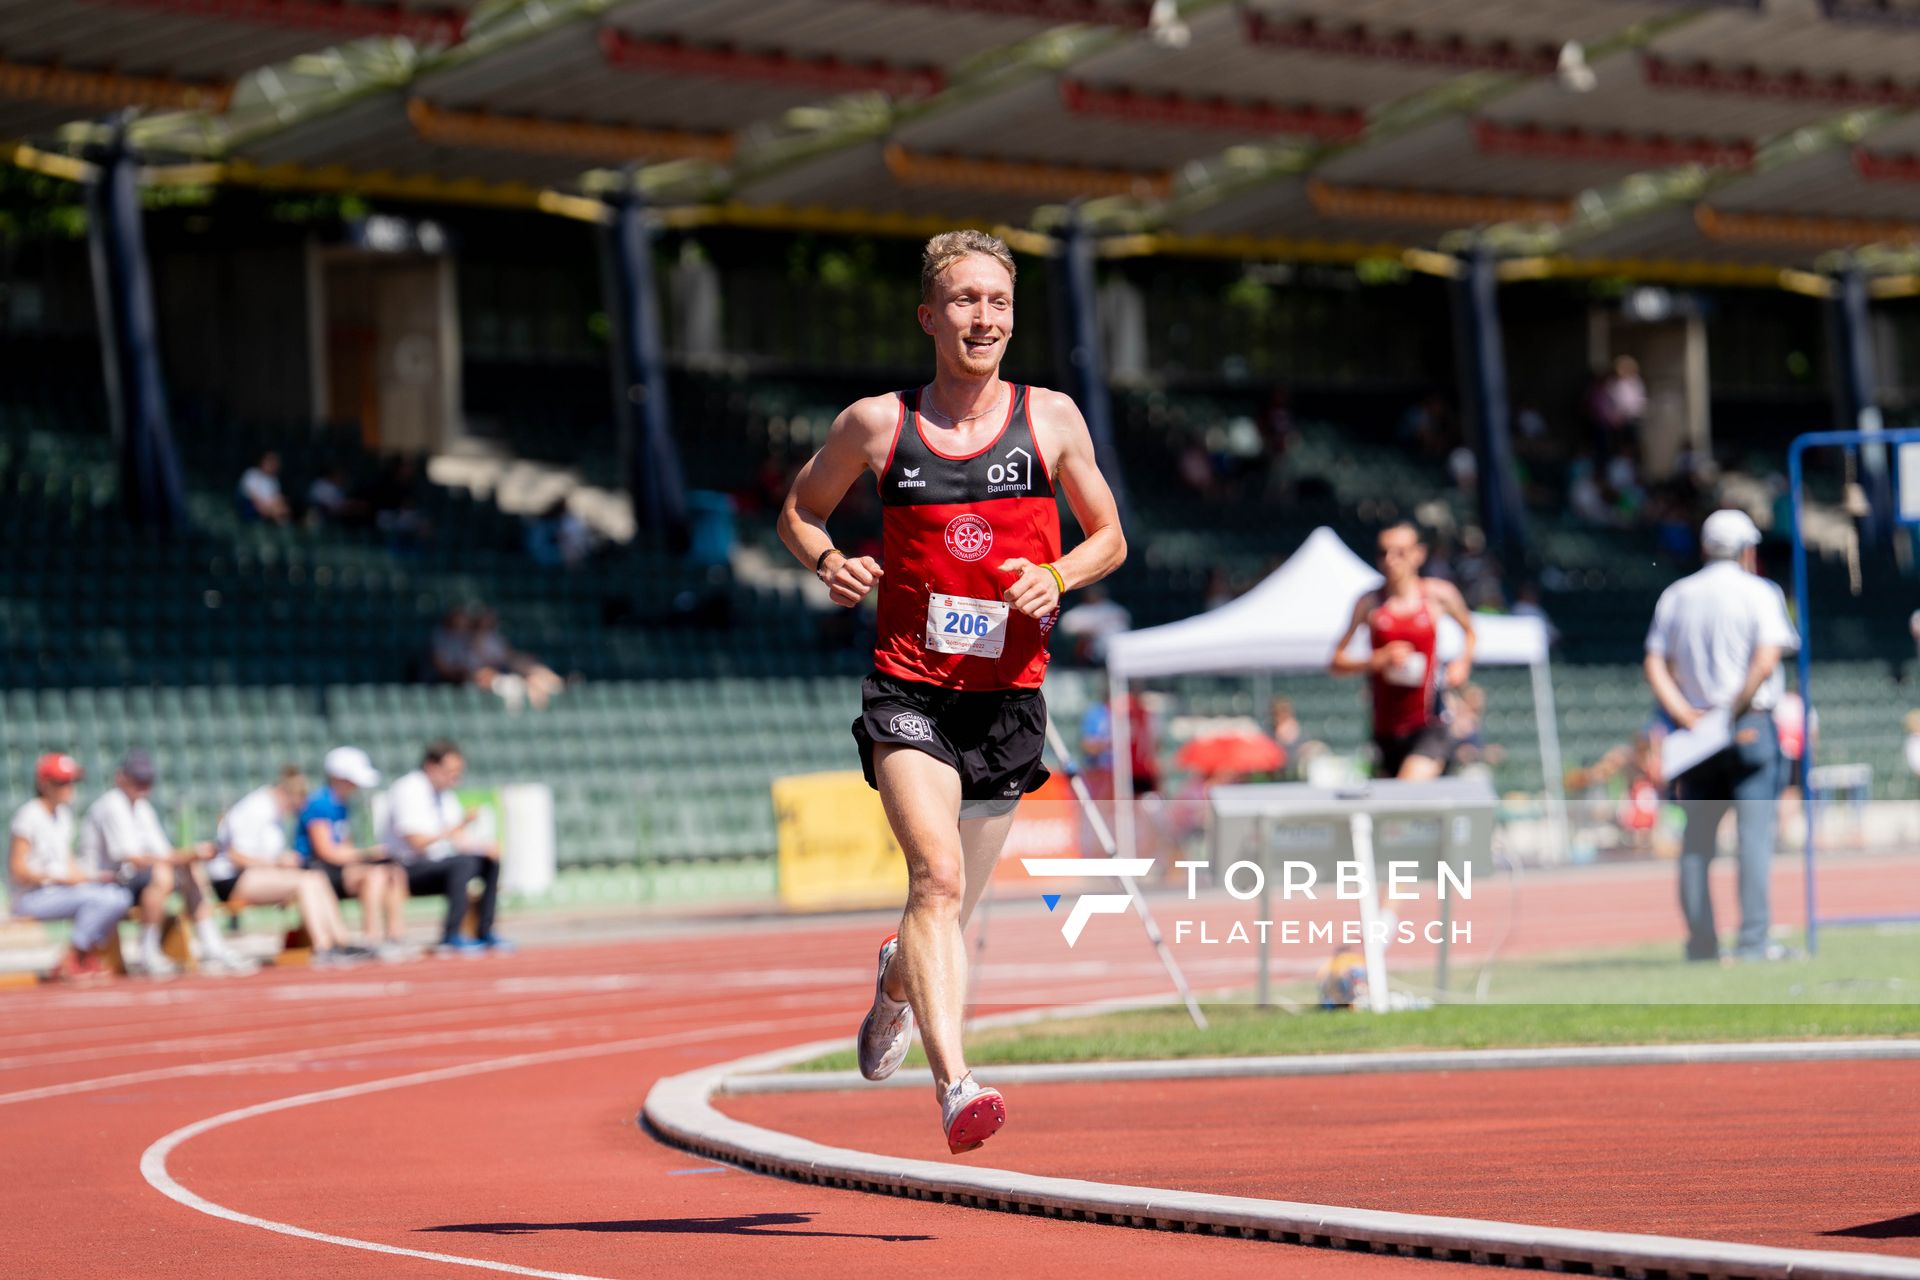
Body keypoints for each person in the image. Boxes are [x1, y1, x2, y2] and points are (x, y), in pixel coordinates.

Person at [777, 229, 1126, 1154]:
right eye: (966, 301)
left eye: (1000, 303)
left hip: (1008, 698)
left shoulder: (1049, 418)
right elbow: (800, 508)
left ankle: (898, 977)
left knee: (952, 909)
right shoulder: (877, 425)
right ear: (930, 316)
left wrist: (1059, 575)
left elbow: (1110, 538)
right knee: (934, 878)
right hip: (909, 689)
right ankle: (956, 1086)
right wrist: (826, 560)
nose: (985, 318)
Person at [1643, 509, 1798, 963]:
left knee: (1697, 842)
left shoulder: (1676, 594)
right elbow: (1766, 659)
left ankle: (1701, 945)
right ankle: (1752, 943)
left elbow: (1654, 663)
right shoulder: (1759, 592)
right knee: (1753, 839)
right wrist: (1734, 708)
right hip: (1747, 723)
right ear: (1747, 549)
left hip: (1696, 730)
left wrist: (1684, 714)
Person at [78, 750, 256, 977]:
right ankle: (148, 952)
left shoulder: (141, 807)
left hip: (131, 880)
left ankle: (212, 945)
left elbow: (162, 853)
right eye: (138, 780)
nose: (143, 787)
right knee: (164, 873)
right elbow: (134, 858)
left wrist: (190, 856)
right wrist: (188, 854)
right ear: (121, 778)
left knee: (190, 869)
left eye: (147, 781)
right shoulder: (112, 805)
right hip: (107, 883)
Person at [1330, 523, 1477, 781]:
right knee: (1394, 815)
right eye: (1383, 552)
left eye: (1400, 552)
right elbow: (1336, 661)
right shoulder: (1370, 603)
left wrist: (1462, 663)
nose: (1390, 560)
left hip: (1429, 723)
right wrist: (1378, 659)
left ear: (1418, 554)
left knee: (1406, 792)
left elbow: (1470, 632)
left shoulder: (1438, 595)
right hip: (1385, 727)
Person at [214, 767, 371, 968]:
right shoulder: (256, 808)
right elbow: (235, 856)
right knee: (305, 882)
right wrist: (276, 863)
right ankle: (323, 947)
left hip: (254, 875)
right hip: (232, 880)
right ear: (286, 795)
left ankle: (340, 941)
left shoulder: (273, 811)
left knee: (315, 877)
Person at [380, 739, 509, 955]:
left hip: (437, 864)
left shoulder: (445, 795)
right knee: (462, 865)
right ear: (432, 767)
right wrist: (457, 827)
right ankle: (451, 935)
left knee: (488, 861)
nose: (455, 777)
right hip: (406, 867)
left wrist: (484, 847)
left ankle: (485, 931)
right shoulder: (408, 789)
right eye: (451, 771)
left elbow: (459, 838)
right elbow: (417, 842)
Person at [8, 754, 130, 982]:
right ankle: (75, 957)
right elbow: (18, 870)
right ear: (44, 784)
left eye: (71, 781)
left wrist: (92, 878)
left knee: (117, 896)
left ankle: (80, 955)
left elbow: (68, 864)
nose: (69, 787)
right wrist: (58, 879)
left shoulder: (64, 816)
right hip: (31, 898)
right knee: (105, 899)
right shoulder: (28, 816)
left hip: (59, 893)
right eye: (62, 782)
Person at [296, 747, 412, 961]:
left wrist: (368, 858)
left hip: (337, 868)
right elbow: (325, 851)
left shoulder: (341, 804)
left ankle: (395, 937)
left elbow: (345, 846)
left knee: (393, 872)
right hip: (318, 869)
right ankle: (372, 939)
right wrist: (367, 855)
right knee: (375, 875)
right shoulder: (320, 803)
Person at [238, 450, 291, 524]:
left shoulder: (274, 480)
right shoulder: (251, 473)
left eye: (274, 463)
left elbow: (276, 498)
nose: (271, 465)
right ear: (263, 461)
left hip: (269, 508)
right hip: (250, 506)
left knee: (283, 506)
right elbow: (252, 496)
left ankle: (281, 523)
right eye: (269, 461)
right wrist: (263, 507)